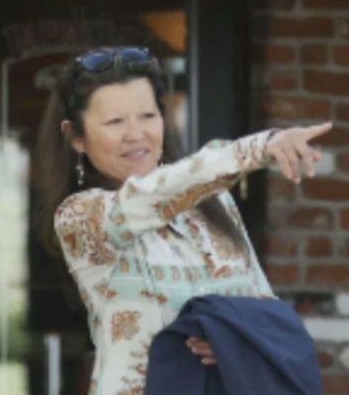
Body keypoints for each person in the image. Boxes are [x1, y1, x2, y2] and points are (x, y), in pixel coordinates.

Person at [35, 46, 331, 395]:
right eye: (115, 122)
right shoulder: (80, 217)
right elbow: (152, 195)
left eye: (148, 115)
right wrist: (259, 148)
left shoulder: (215, 203)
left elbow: (267, 318)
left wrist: (234, 345)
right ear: (76, 137)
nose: (136, 133)